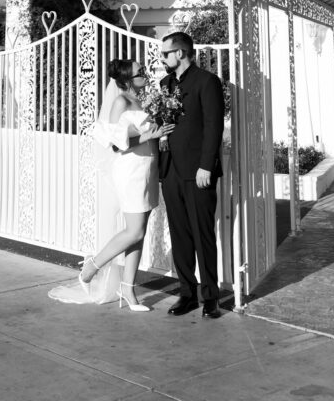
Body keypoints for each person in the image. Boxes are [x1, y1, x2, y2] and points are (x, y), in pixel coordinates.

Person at [49, 58, 174, 310]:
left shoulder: (143, 100)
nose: (145, 75)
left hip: (148, 167)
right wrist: (148, 135)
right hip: (130, 169)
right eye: (140, 72)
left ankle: (128, 291)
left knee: (139, 233)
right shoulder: (120, 102)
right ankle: (91, 267)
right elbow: (116, 144)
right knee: (134, 231)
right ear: (127, 78)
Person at [159, 30, 225, 318]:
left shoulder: (207, 82)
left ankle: (211, 297)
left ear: (181, 53)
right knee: (180, 235)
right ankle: (187, 294)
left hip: (198, 171)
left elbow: (214, 126)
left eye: (165, 54)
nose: (162, 58)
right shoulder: (165, 84)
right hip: (170, 169)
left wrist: (206, 166)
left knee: (203, 235)